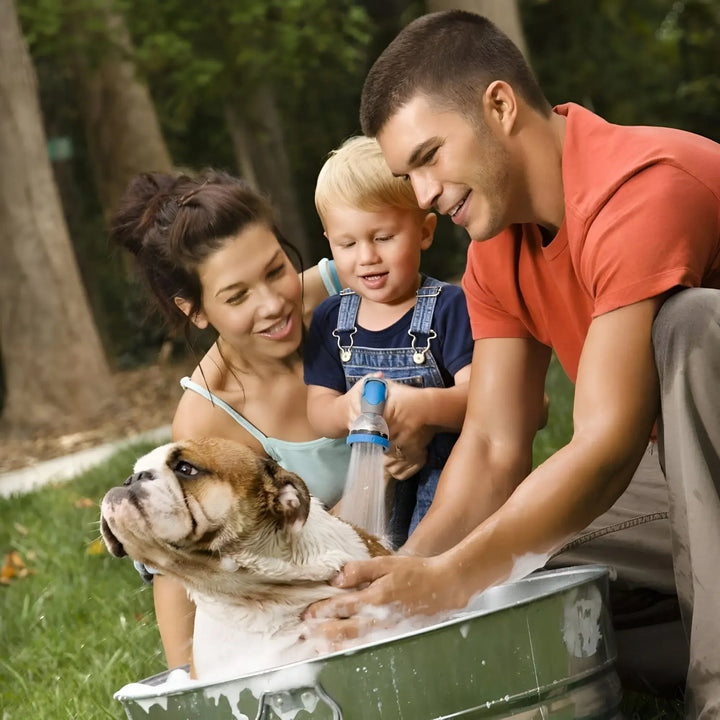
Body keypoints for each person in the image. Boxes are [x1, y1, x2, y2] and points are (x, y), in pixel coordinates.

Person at [303, 11, 720, 718]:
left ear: (499, 105)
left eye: (431, 156)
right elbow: (495, 448)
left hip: (693, 460)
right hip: (695, 480)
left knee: (693, 325)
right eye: (409, 174)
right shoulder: (495, 247)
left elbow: (609, 443)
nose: (425, 193)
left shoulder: (639, 185)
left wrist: (453, 577)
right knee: (523, 572)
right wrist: (414, 575)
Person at [110, 169, 351, 669]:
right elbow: (183, 557)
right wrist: (191, 685)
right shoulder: (207, 418)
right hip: (338, 598)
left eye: (276, 269)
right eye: (237, 296)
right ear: (195, 310)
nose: (273, 304)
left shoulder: (349, 285)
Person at [304, 135, 474, 547]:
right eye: (347, 244)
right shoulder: (331, 319)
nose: (366, 257)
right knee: (371, 554)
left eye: (383, 238)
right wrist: (347, 407)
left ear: (425, 231)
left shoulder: (448, 307)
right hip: (375, 479)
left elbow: (483, 396)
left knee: (435, 556)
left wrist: (421, 407)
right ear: (329, 241)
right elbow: (318, 411)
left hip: (449, 479)